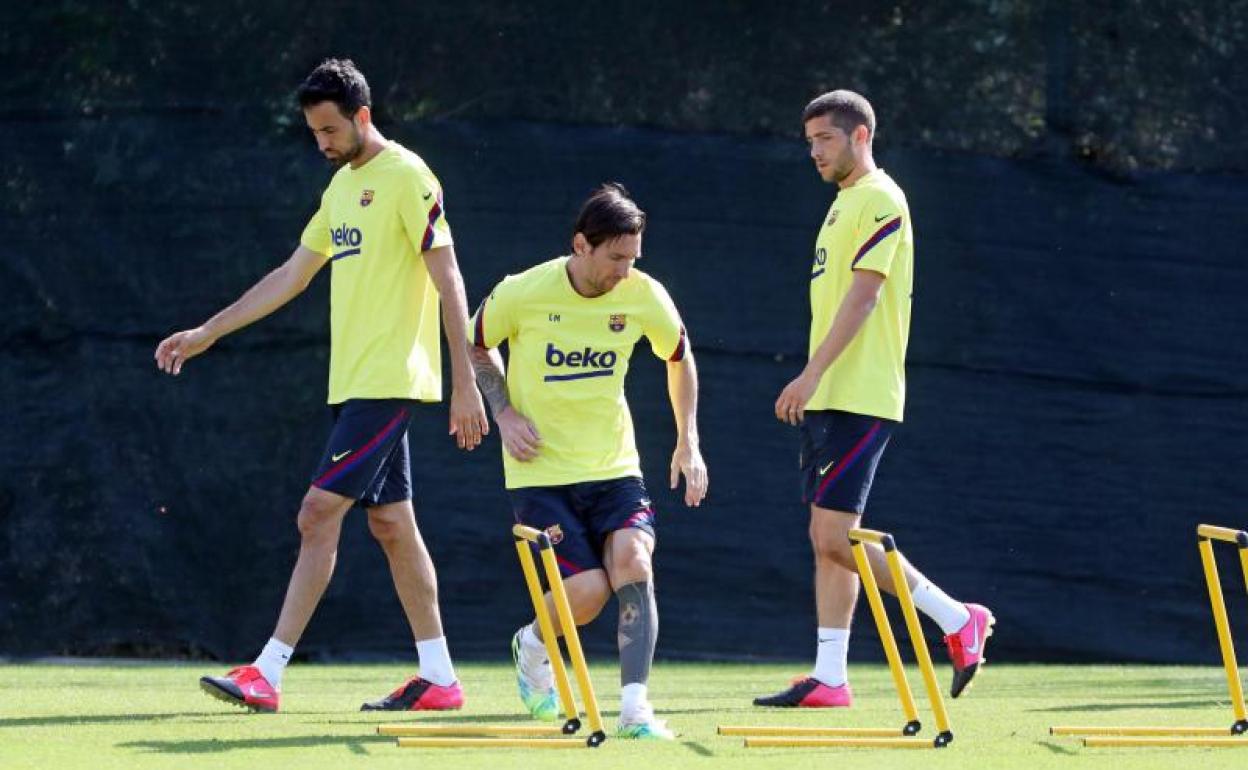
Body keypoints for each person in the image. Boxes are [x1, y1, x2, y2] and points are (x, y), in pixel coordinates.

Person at [154, 58, 487, 713]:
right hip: (357, 382)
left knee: (316, 514)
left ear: (363, 117)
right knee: (392, 525)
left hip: (391, 380)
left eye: (331, 129)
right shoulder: (339, 191)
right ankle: (439, 677)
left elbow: (448, 277)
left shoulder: (408, 175)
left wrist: (466, 382)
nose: (323, 143)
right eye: (314, 132)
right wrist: (208, 332)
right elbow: (290, 275)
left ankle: (268, 672)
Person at [756, 90, 993, 708]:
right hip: (832, 394)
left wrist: (808, 376)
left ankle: (956, 618)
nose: (813, 152)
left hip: (859, 393)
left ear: (860, 135)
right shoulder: (843, 205)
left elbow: (864, 298)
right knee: (827, 536)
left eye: (824, 140)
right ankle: (830, 675)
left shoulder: (882, 198)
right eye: (809, 142)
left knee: (837, 538)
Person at [468, 183, 708, 739]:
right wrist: (501, 410)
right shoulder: (524, 290)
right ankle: (531, 644)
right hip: (540, 472)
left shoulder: (645, 295)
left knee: (635, 564)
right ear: (582, 244)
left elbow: (680, 357)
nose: (625, 271)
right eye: (615, 257)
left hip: (614, 467)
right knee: (588, 593)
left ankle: (634, 709)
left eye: (633, 258)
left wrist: (687, 441)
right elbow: (476, 341)